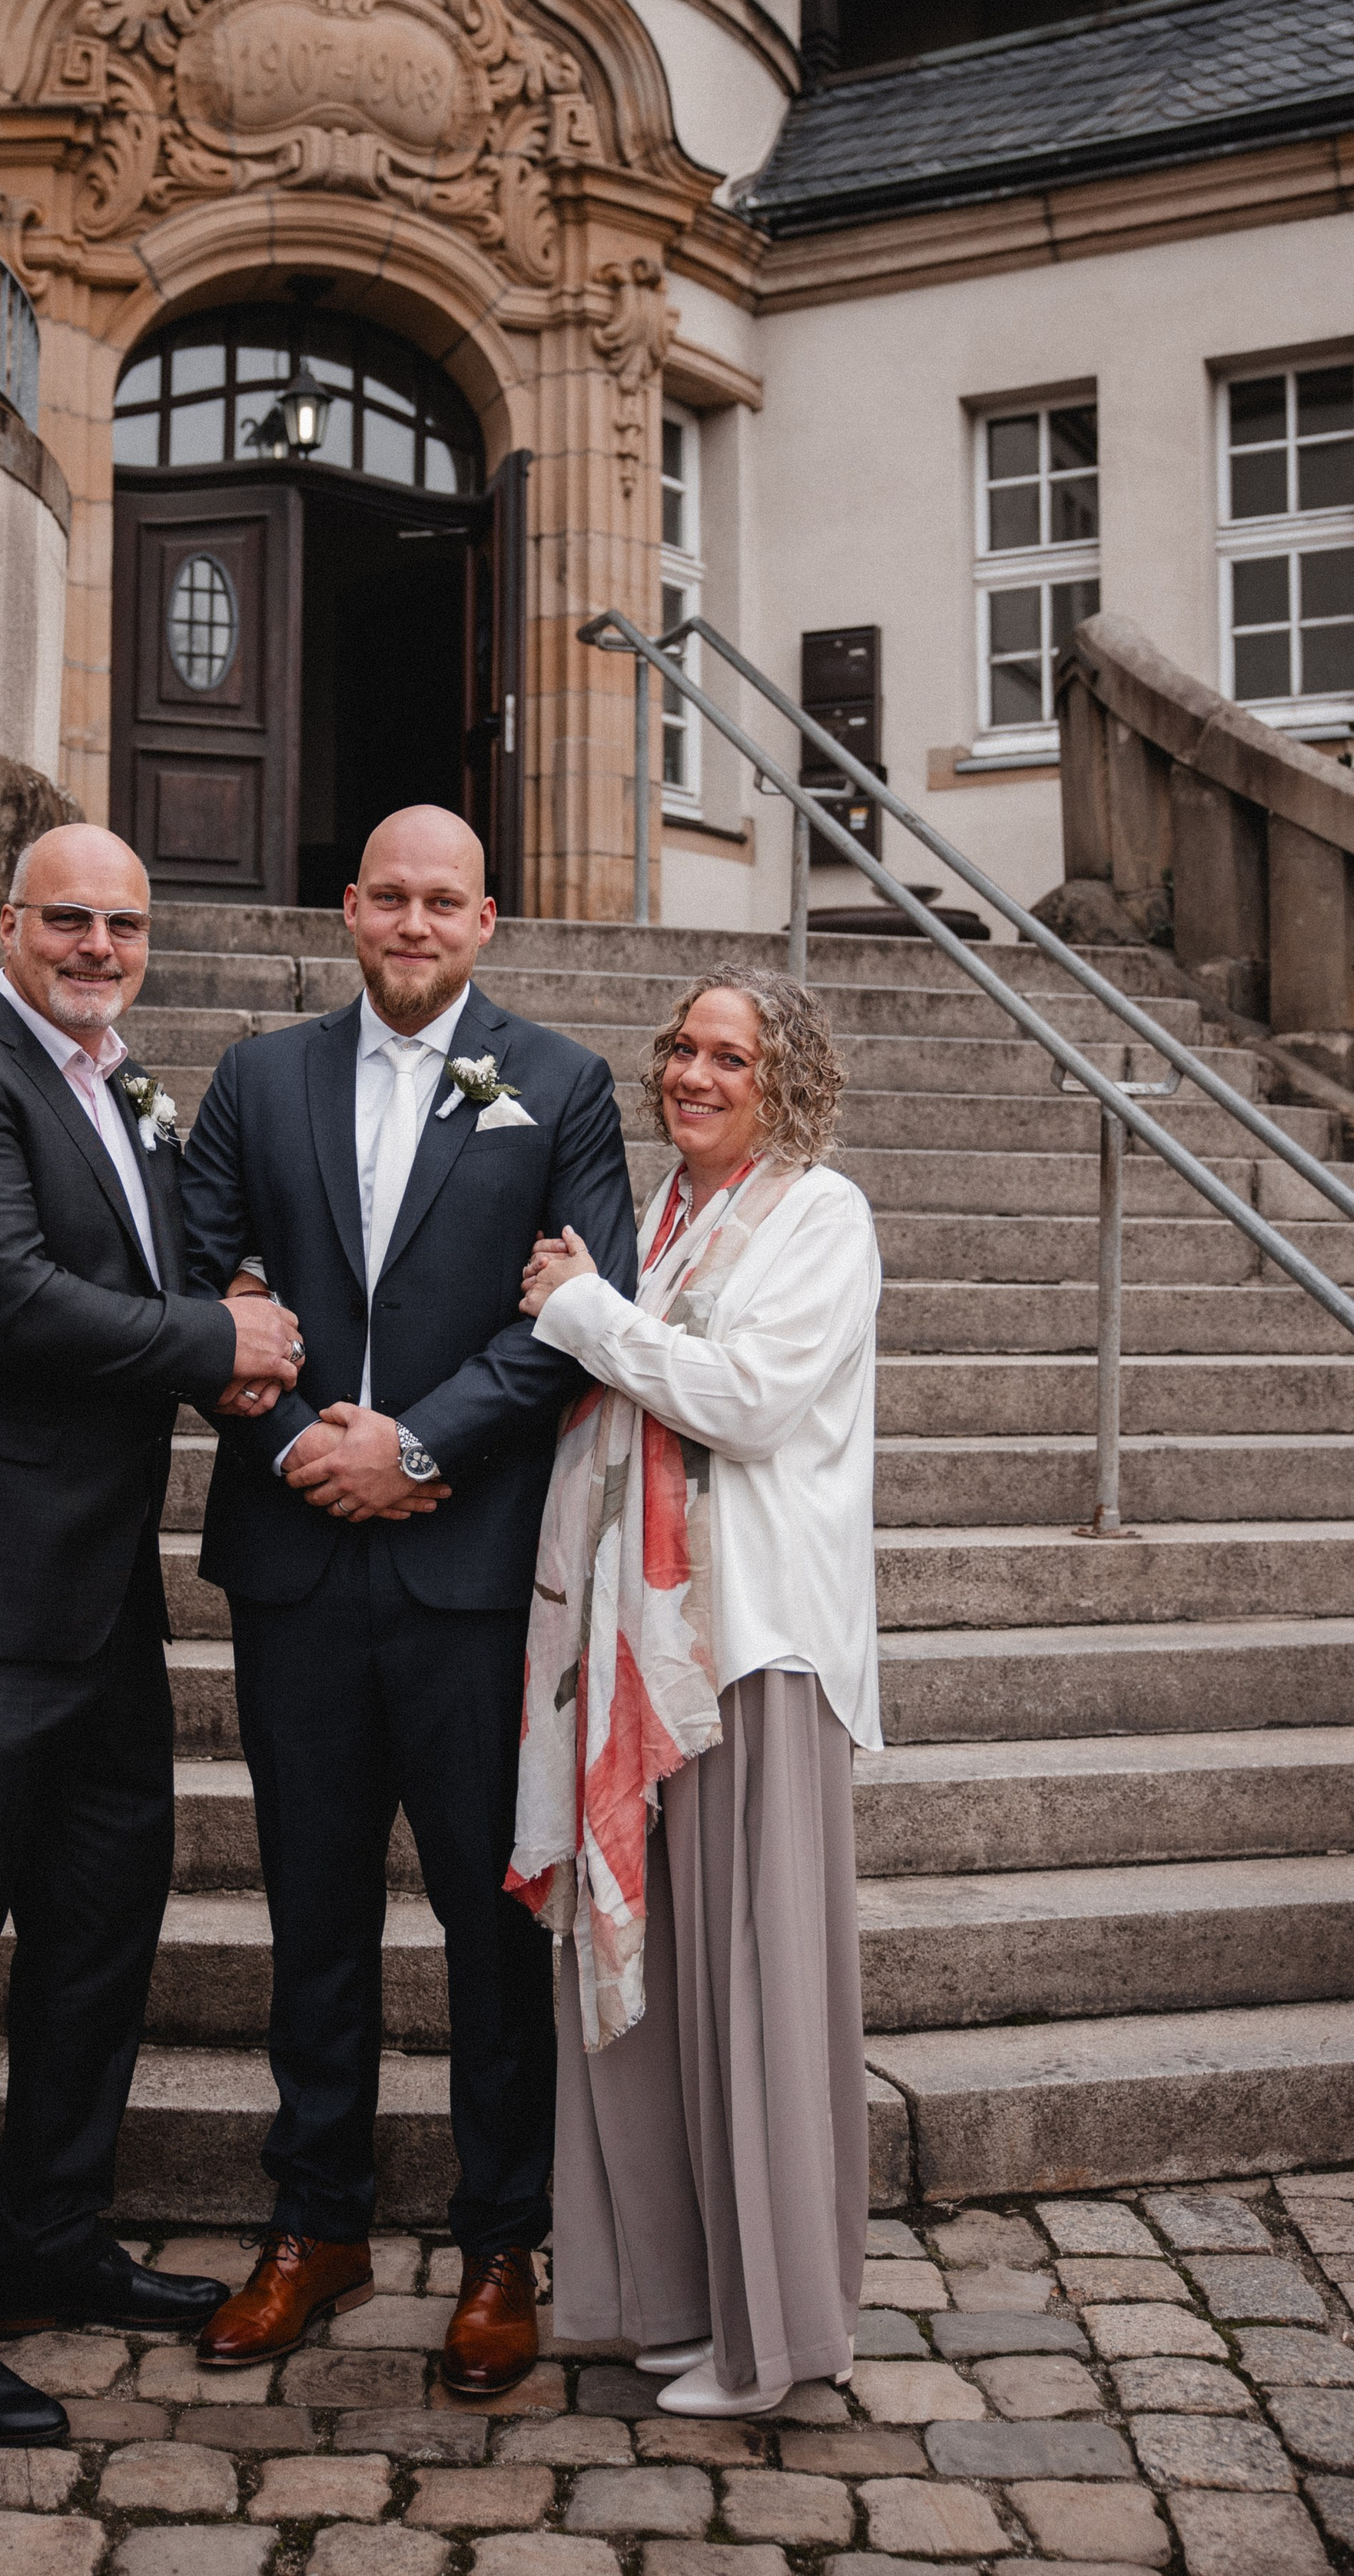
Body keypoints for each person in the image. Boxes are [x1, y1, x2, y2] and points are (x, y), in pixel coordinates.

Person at [0, 824, 306, 2447]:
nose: (98, 947)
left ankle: (47, 2245)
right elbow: (10, 1300)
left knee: (103, 1925)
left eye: (124, 924)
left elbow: (157, 1283)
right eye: (69, 921)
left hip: (94, 1602)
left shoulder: (119, 1086)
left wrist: (246, 1342)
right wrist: (209, 1334)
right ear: (6, 923)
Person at [179, 806, 638, 2398]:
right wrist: (308, 1441)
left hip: (465, 1572)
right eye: (389, 895)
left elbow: (585, 1311)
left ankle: (499, 2241)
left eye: (444, 900)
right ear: (351, 909)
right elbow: (198, 1278)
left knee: (482, 1922)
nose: (414, 921)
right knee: (312, 1912)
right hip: (296, 1555)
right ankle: (317, 2224)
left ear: (486, 921)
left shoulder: (561, 1085)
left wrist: (422, 1447)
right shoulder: (256, 1078)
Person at [509, 964, 879, 2419]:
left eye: (730, 1055)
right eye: (680, 1049)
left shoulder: (820, 1213)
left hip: (752, 1651)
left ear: (785, 1080)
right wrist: (607, 1307)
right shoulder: (666, 1217)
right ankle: (669, 2298)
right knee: (652, 1990)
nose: (694, 1075)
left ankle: (777, 2330)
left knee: (755, 1987)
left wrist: (588, 1315)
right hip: (642, 1643)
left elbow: (749, 1398)